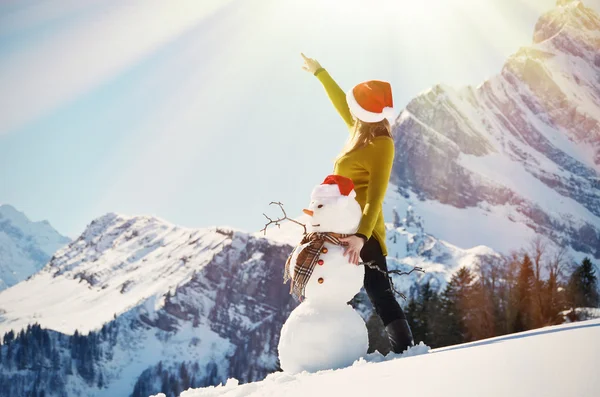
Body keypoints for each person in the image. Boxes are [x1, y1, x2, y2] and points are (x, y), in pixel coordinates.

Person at [300, 53, 414, 354]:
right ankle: (326, 352)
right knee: (331, 286)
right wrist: (320, 71)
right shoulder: (358, 130)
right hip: (340, 227)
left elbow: (375, 196)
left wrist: (362, 237)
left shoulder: (382, 145)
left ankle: (405, 350)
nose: (350, 109)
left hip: (362, 231)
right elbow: (341, 101)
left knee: (378, 291)